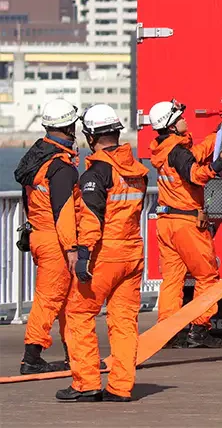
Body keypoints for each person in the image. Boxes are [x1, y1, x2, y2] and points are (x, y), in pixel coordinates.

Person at [57, 105, 148, 402]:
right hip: (133, 252)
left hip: (105, 255)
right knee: (124, 322)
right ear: (117, 132)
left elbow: (92, 217)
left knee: (78, 315)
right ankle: (121, 387)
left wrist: (83, 254)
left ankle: (86, 383)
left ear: (90, 136)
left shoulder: (97, 171)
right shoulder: (138, 171)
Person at [147, 99, 222, 349]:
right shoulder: (177, 151)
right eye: (180, 116)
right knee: (207, 275)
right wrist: (216, 167)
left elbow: (192, 155)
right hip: (186, 223)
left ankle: (168, 331)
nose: (185, 119)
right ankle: (199, 329)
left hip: (167, 222)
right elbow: (194, 173)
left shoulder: (166, 150)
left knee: (172, 279)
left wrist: (216, 137)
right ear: (171, 125)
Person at [13, 99, 80, 375]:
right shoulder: (61, 167)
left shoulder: (37, 159)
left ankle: (74, 352)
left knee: (64, 300)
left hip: (40, 234)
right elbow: (64, 212)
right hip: (56, 241)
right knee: (50, 299)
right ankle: (32, 356)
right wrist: (73, 248)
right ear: (70, 127)